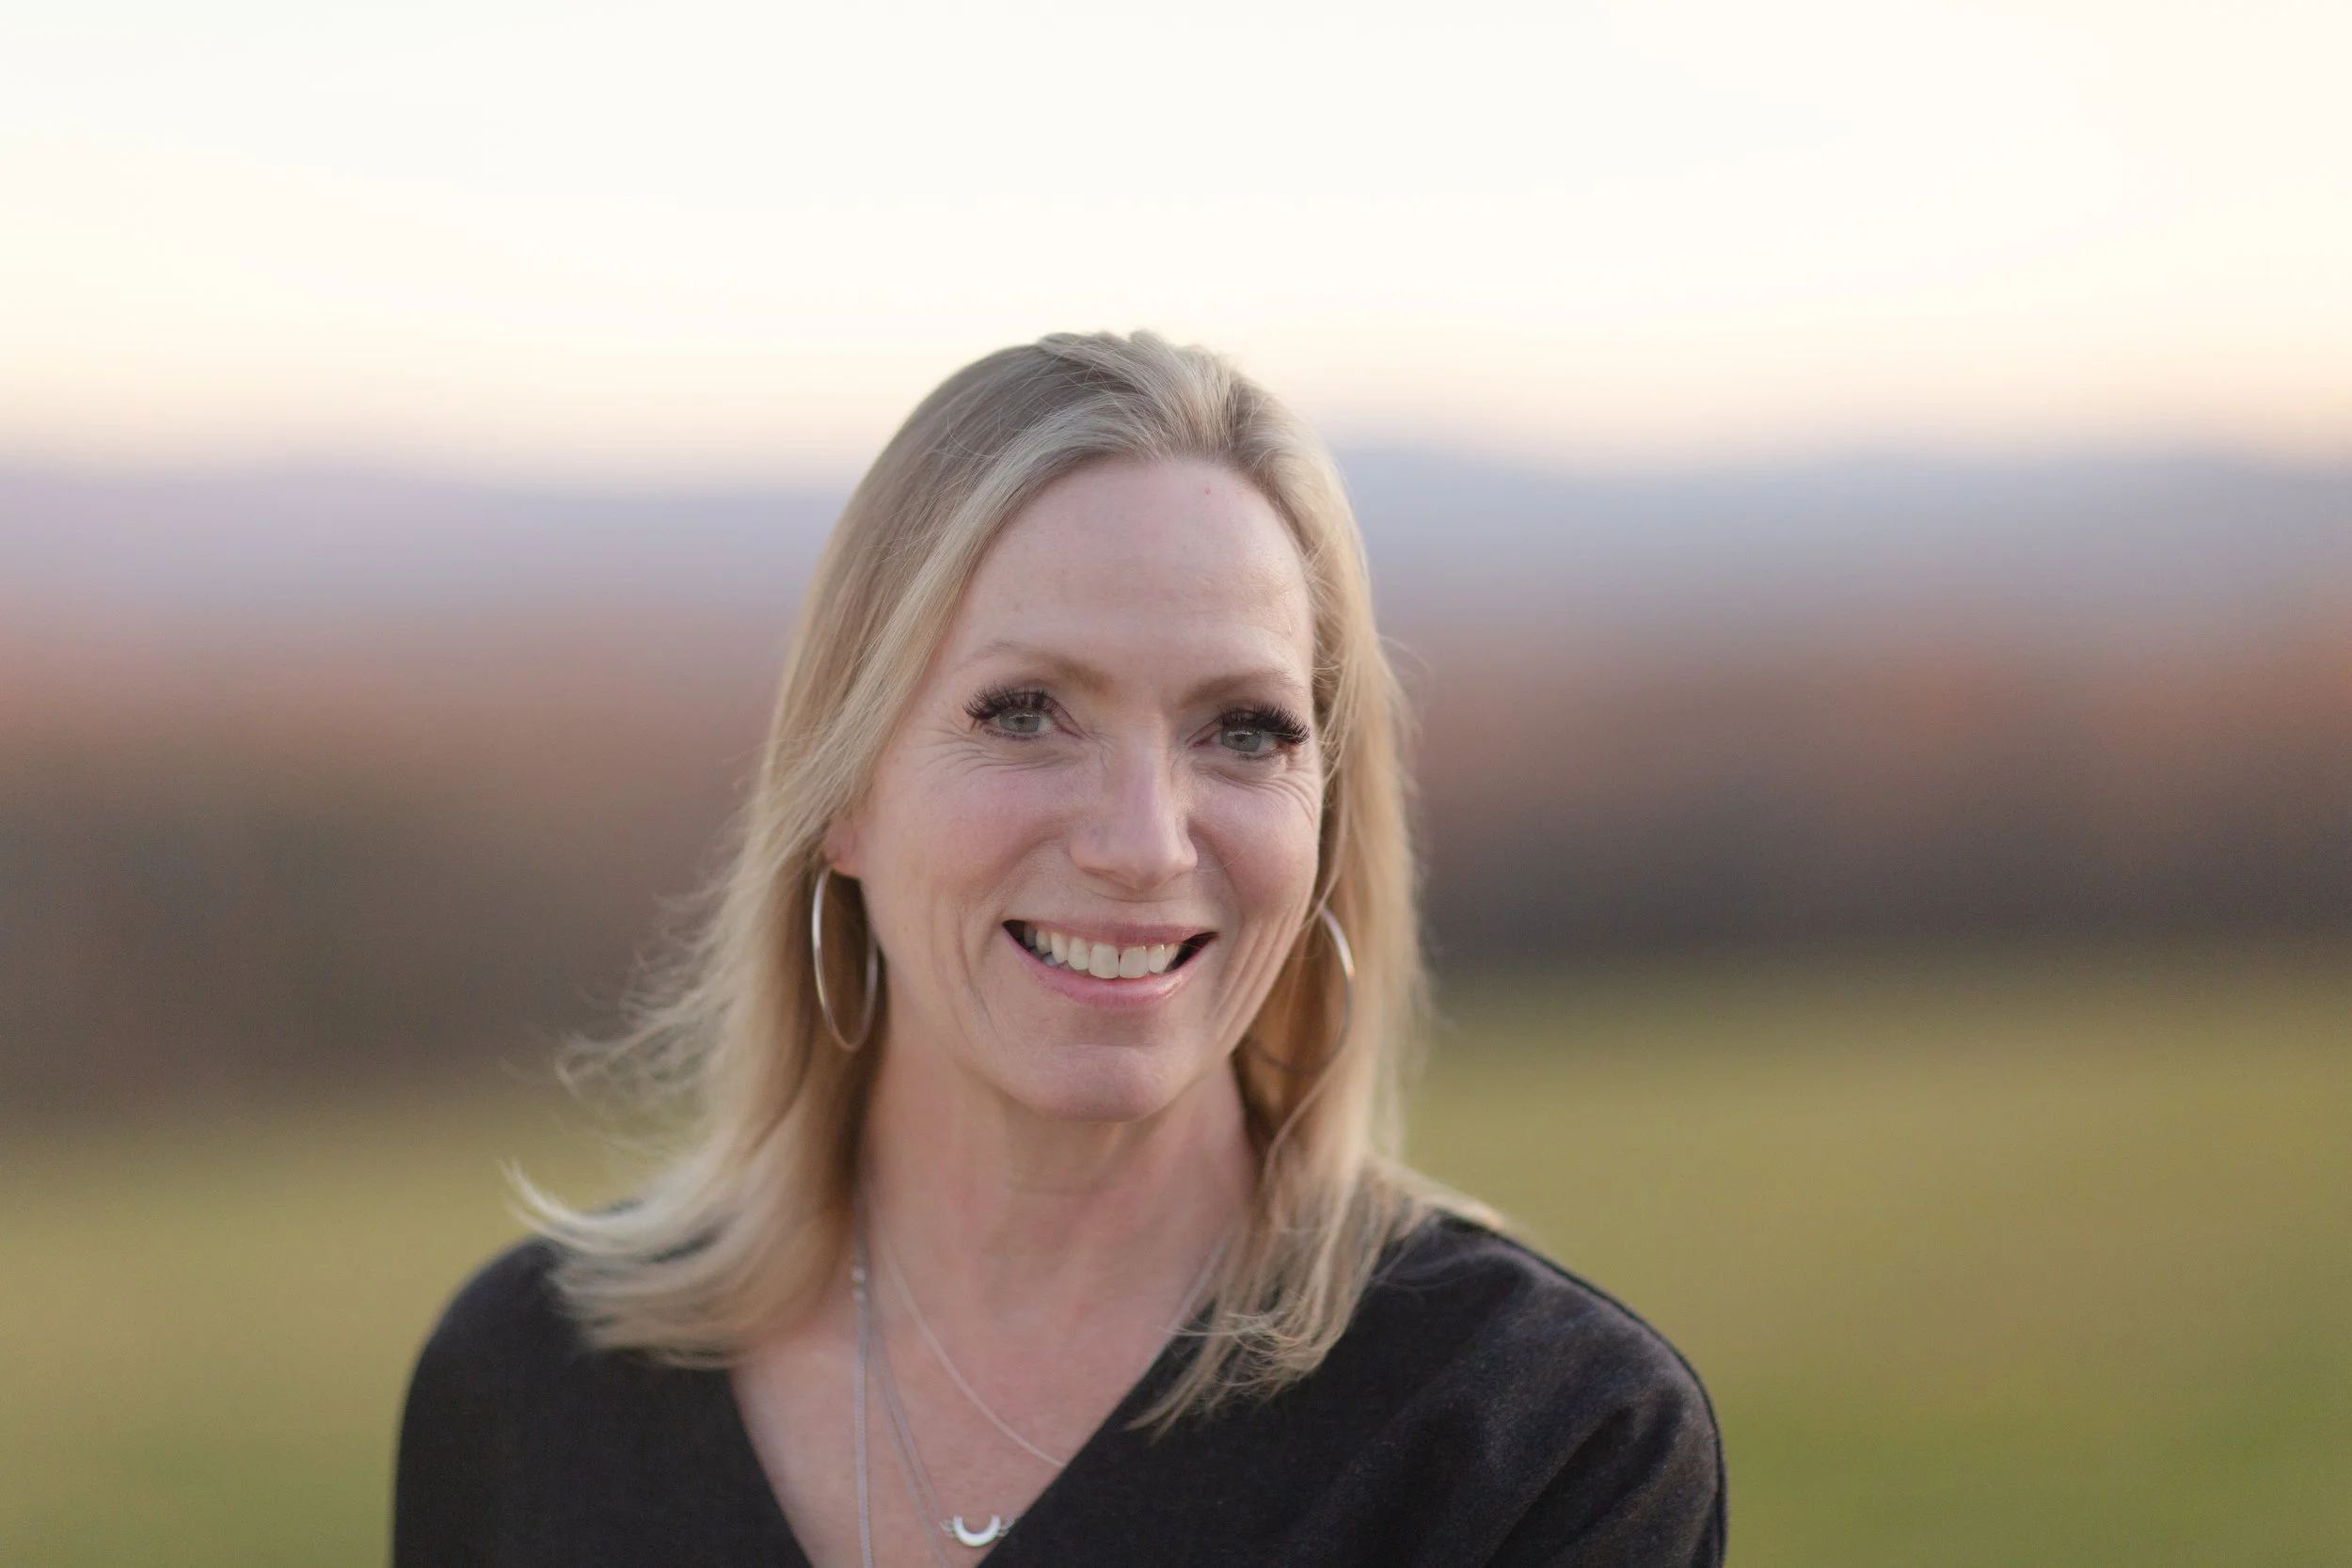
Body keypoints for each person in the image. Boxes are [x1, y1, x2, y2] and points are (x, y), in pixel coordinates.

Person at [393, 331, 1724, 1567]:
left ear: (1327, 817)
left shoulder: (1545, 1446)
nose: (1144, 842)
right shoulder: (528, 1387)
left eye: (1245, 729)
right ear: (842, 791)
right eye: (1028, 711)